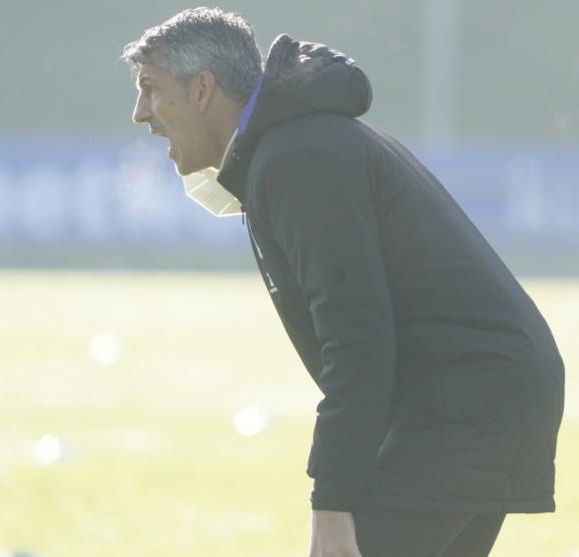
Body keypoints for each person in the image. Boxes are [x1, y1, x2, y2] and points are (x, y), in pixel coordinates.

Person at [121, 8, 564, 557]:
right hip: (477, 394)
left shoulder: (297, 157)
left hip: (464, 400)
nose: (141, 112)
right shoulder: (289, 147)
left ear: (203, 89)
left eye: (150, 89)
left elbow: (356, 337)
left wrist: (330, 504)